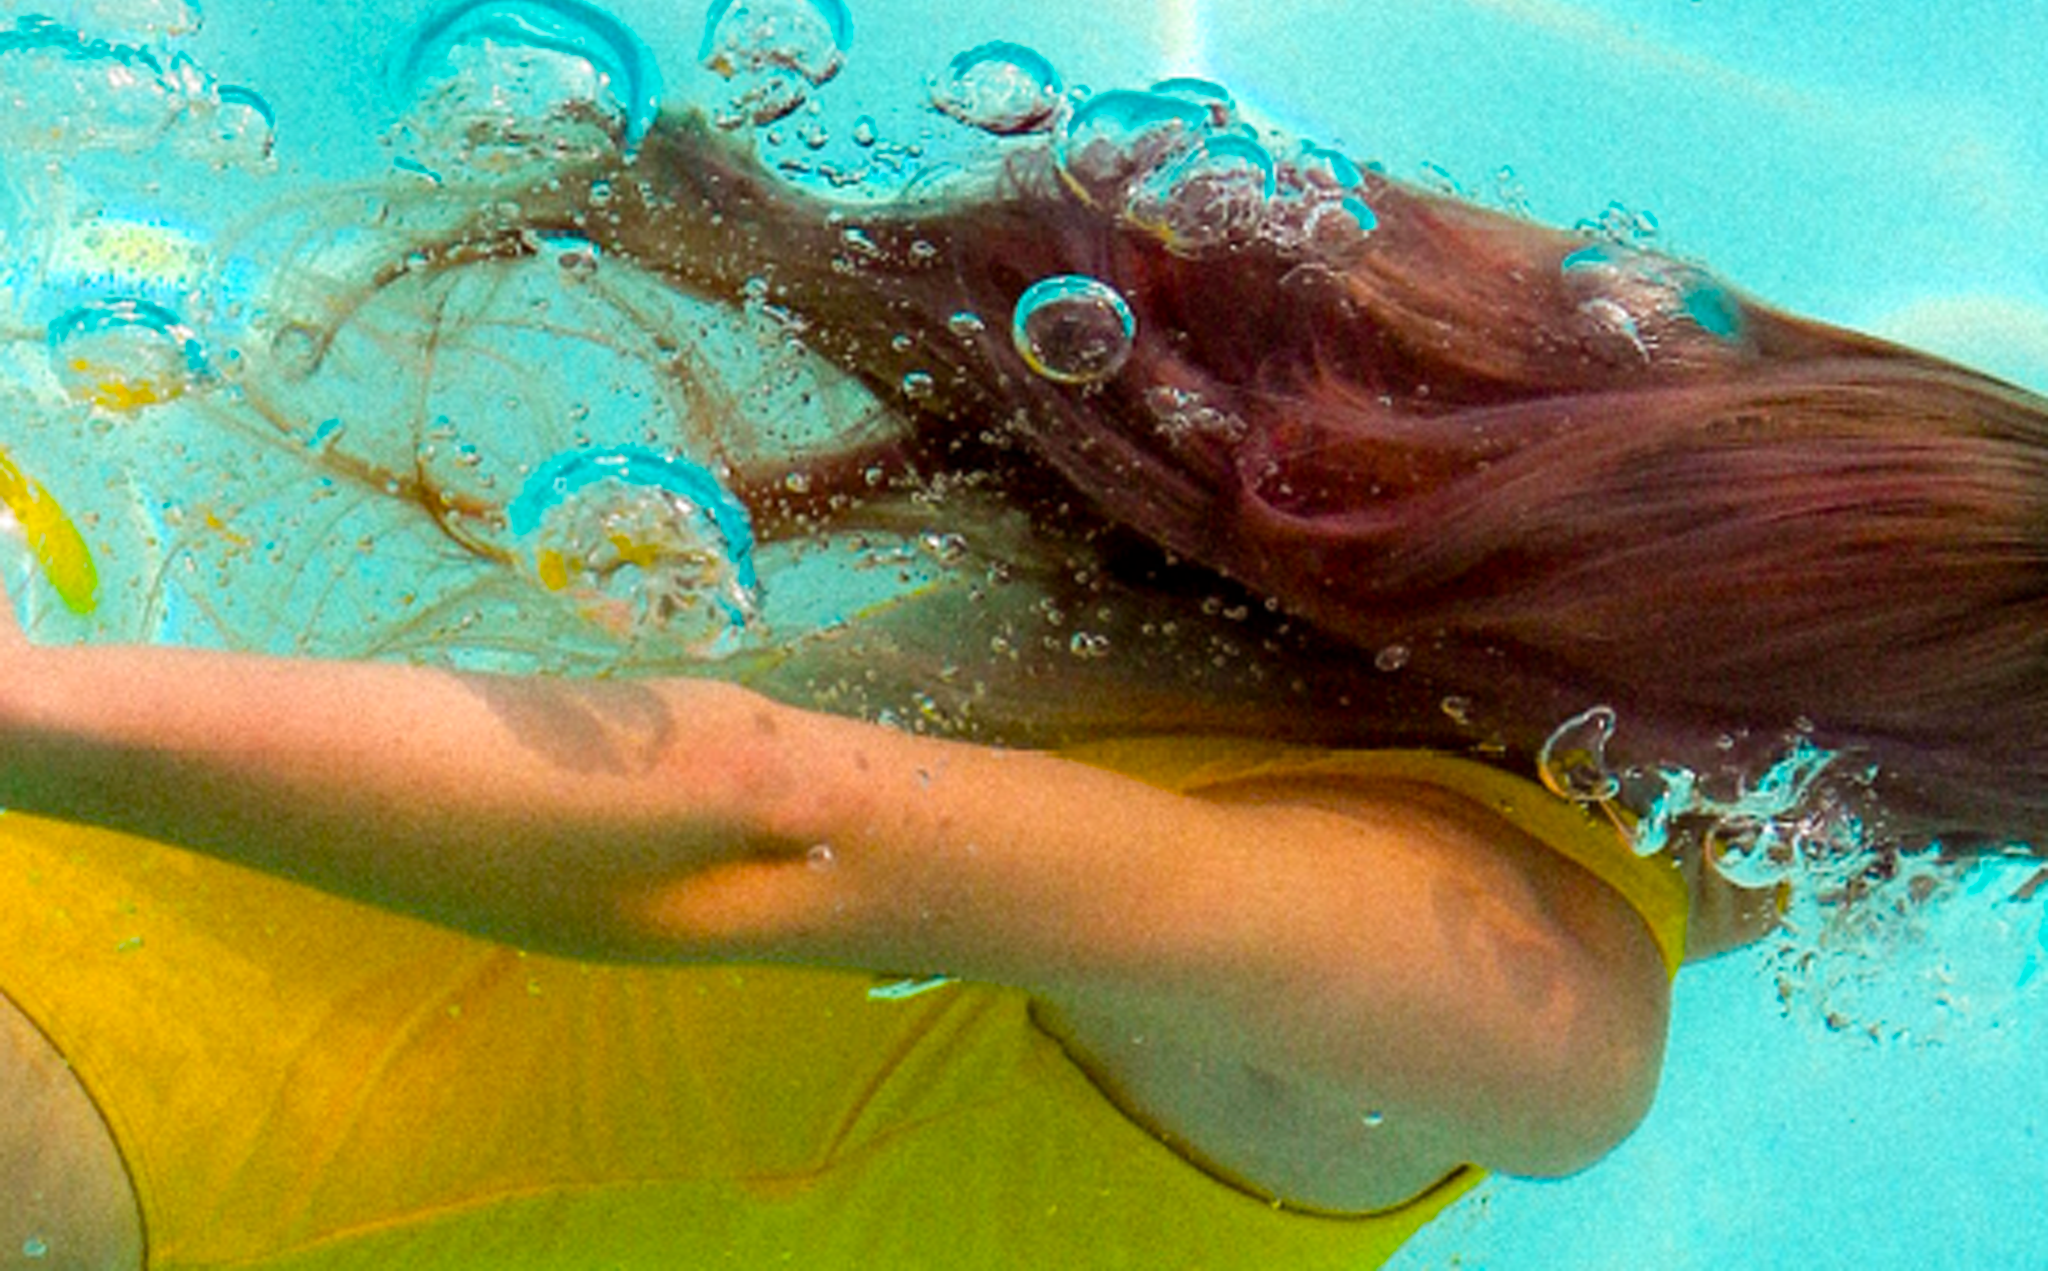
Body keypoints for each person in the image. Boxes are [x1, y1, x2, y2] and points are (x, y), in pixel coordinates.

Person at [0, 69, 2039, 1268]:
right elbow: (770, 823)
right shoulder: (1535, 993)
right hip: (164, 1147)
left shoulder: (1322, 656)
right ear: (1890, 807)